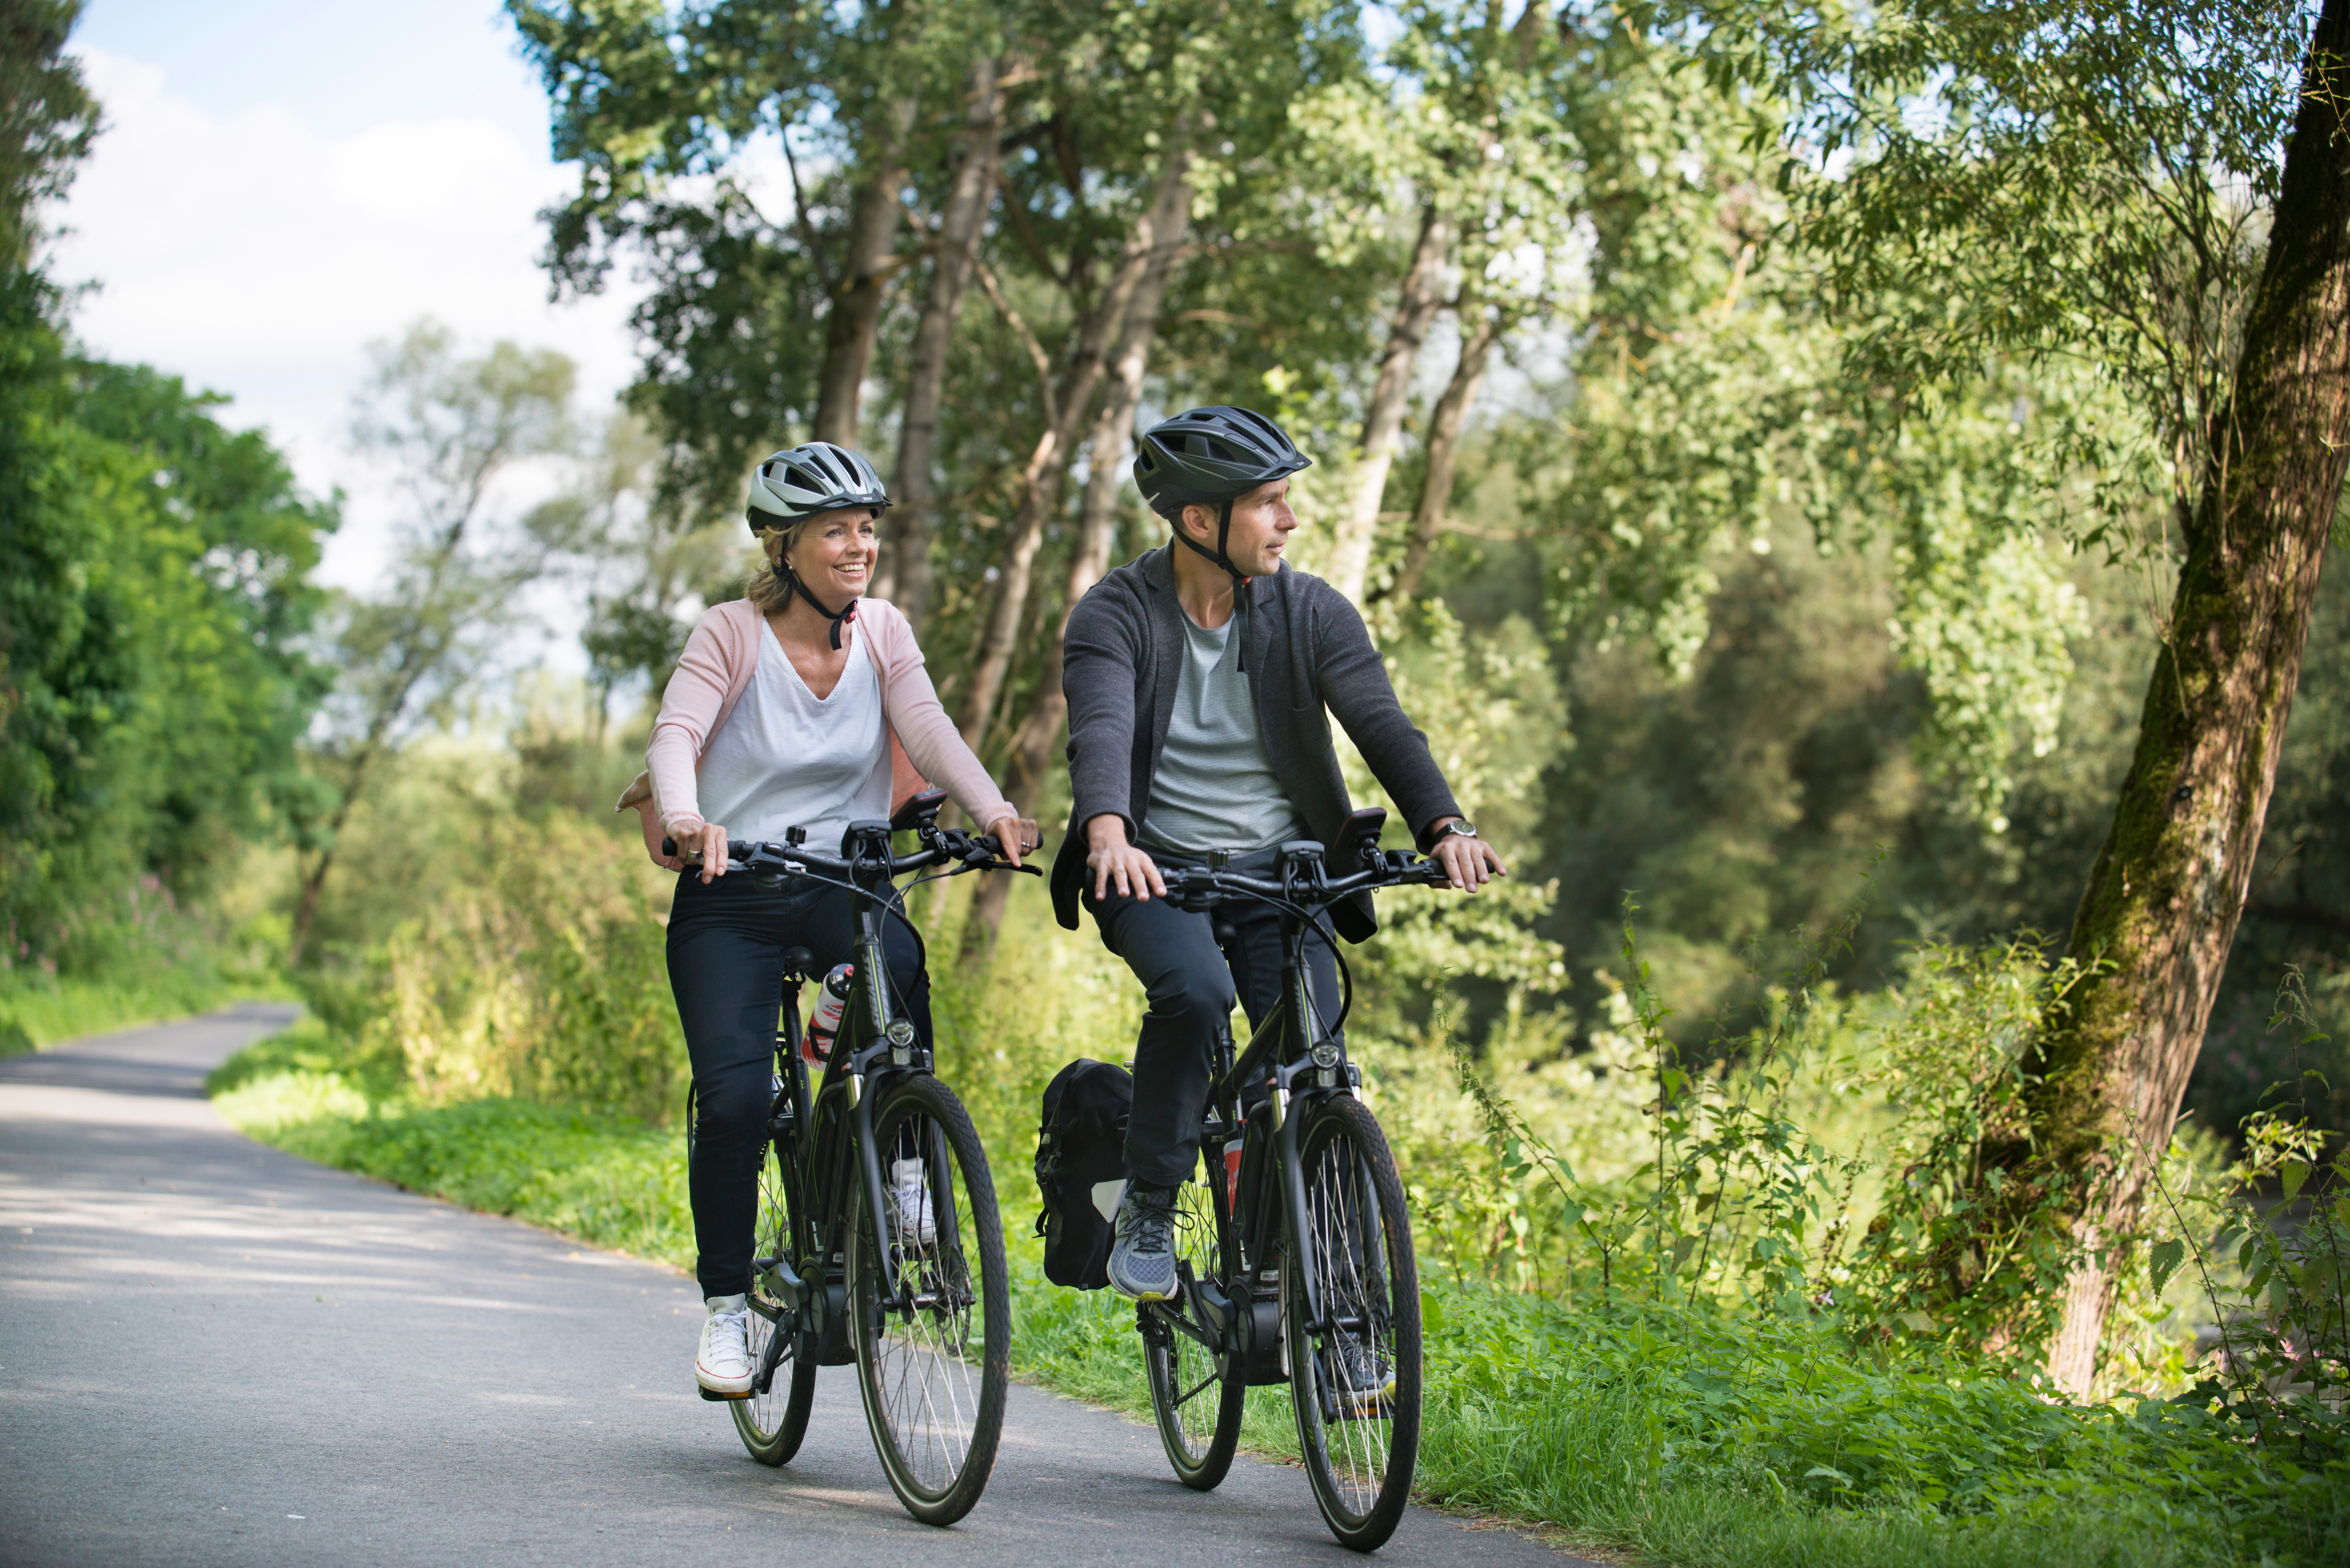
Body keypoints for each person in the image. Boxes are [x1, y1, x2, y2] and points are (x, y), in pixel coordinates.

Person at [1050, 405, 1505, 1301]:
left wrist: (1445, 825)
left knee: (1314, 1055)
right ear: (1198, 521)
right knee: (1195, 994)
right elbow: (1099, 724)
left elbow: (1380, 722)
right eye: (1269, 503)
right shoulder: (1115, 614)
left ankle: (1333, 1292)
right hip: (1156, 869)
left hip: (1286, 874)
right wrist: (1107, 826)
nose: (1290, 522)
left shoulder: (1308, 611)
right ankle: (1148, 1200)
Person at [617, 440, 1040, 1397]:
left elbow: (927, 725)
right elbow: (677, 732)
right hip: (732, 895)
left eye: (866, 530)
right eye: (835, 532)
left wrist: (993, 808)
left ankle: (903, 1177)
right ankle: (727, 1309)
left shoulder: (883, 630)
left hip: (842, 881)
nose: (859, 548)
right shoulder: (728, 632)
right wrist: (686, 816)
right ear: (783, 546)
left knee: (898, 968)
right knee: (732, 1104)